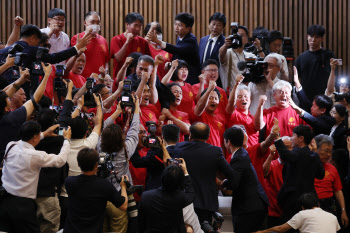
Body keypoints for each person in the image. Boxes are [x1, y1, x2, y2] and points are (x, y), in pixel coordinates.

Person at [0, 121, 71, 232]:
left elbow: (25, 141)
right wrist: (67, 141)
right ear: (34, 137)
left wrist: (44, 134)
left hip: (4, 200)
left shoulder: (11, 145)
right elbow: (60, 161)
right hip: (22, 205)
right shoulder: (35, 156)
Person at [172, 122, 236, 224]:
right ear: (208, 136)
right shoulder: (215, 152)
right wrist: (225, 184)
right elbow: (232, 175)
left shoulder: (179, 148)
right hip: (205, 204)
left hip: (182, 202)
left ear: (190, 135)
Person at [99, 95, 140, 232]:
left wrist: (116, 112)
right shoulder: (126, 149)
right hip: (119, 198)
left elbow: (100, 127)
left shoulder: (98, 145)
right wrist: (136, 108)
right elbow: (134, 130)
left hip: (101, 197)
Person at [63, 148, 128, 233]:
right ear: (96, 165)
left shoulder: (69, 182)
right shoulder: (105, 186)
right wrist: (123, 187)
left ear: (78, 164)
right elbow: (123, 206)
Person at [0, 24, 91, 84]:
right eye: (37, 41)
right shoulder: (31, 50)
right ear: (32, 38)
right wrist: (77, 47)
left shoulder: (4, 51)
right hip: (23, 93)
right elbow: (54, 58)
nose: (37, 45)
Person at [222, 126, 269, 233]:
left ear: (228, 142)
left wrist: (223, 183)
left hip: (250, 208)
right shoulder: (241, 154)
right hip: (254, 206)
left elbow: (234, 183)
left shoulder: (239, 157)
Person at [0, 63, 51, 160]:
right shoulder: (13, 118)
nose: (9, 98)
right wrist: (47, 75)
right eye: (8, 100)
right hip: (10, 166)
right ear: (6, 108)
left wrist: (21, 80)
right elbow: (35, 99)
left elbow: (3, 94)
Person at [274, 125, 325, 220]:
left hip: (293, 200)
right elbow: (321, 175)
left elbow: (286, 155)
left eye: (293, 136)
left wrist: (277, 138)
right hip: (309, 200)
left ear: (301, 138)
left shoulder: (297, 152)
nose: (291, 138)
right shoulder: (314, 155)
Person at [138, 161, 195, 233]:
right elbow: (191, 193)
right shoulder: (181, 198)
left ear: (162, 177)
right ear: (180, 183)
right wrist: (185, 171)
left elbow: (140, 222)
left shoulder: (146, 196)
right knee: (189, 229)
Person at [146, 12, 200, 85]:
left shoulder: (191, 40)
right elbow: (179, 55)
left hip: (189, 79)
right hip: (180, 78)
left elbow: (177, 50)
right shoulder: (180, 37)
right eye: (175, 24)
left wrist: (157, 41)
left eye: (180, 25)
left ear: (188, 28)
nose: (176, 27)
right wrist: (170, 64)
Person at [294, 24, 336, 109]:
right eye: (311, 36)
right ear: (307, 37)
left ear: (322, 39)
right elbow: (296, 78)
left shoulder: (328, 55)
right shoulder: (301, 58)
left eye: (317, 37)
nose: (313, 40)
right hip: (305, 98)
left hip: (324, 98)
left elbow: (333, 75)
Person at [255, 192, 341, 233]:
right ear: (318, 204)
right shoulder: (332, 216)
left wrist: (262, 232)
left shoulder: (303, 214)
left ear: (302, 207)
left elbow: (280, 229)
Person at [313, 134, 349, 229]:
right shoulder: (307, 166)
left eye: (330, 151)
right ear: (316, 149)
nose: (328, 155)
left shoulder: (332, 169)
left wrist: (343, 211)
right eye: (326, 151)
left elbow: (338, 190)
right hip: (311, 207)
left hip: (328, 207)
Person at [219, 25, 261, 92]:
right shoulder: (228, 53)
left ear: (247, 39)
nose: (240, 37)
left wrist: (259, 48)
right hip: (232, 96)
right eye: (237, 35)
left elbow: (263, 64)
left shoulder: (250, 56)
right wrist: (225, 45)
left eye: (242, 35)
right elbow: (221, 55)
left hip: (248, 96)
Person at [110, 12, 151, 80]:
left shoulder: (143, 42)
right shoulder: (116, 39)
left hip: (138, 80)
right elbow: (118, 58)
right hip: (120, 80)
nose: (137, 29)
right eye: (135, 25)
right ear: (127, 25)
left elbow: (148, 61)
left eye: (140, 26)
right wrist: (127, 42)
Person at [263, 137, 292, 227]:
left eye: (288, 147)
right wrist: (271, 155)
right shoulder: (272, 164)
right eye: (282, 147)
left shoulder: (295, 166)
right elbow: (264, 173)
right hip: (272, 212)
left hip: (289, 211)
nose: (284, 150)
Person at [71, 11, 109, 79]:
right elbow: (74, 58)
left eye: (98, 22)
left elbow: (106, 61)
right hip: (82, 80)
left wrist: (105, 72)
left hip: (99, 81)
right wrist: (87, 34)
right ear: (85, 23)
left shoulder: (103, 40)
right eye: (92, 22)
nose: (96, 24)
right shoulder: (77, 38)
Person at [226, 74, 259, 148]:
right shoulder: (233, 114)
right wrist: (236, 85)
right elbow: (231, 103)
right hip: (237, 156)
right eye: (239, 97)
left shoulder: (254, 118)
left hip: (253, 157)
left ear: (250, 99)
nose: (243, 99)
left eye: (246, 96)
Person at [194, 80, 225, 148]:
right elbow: (199, 106)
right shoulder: (199, 113)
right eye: (210, 98)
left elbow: (222, 143)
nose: (213, 100)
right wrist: (210, 89)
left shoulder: (221, 119)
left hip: (217, 154)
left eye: (216, 98)